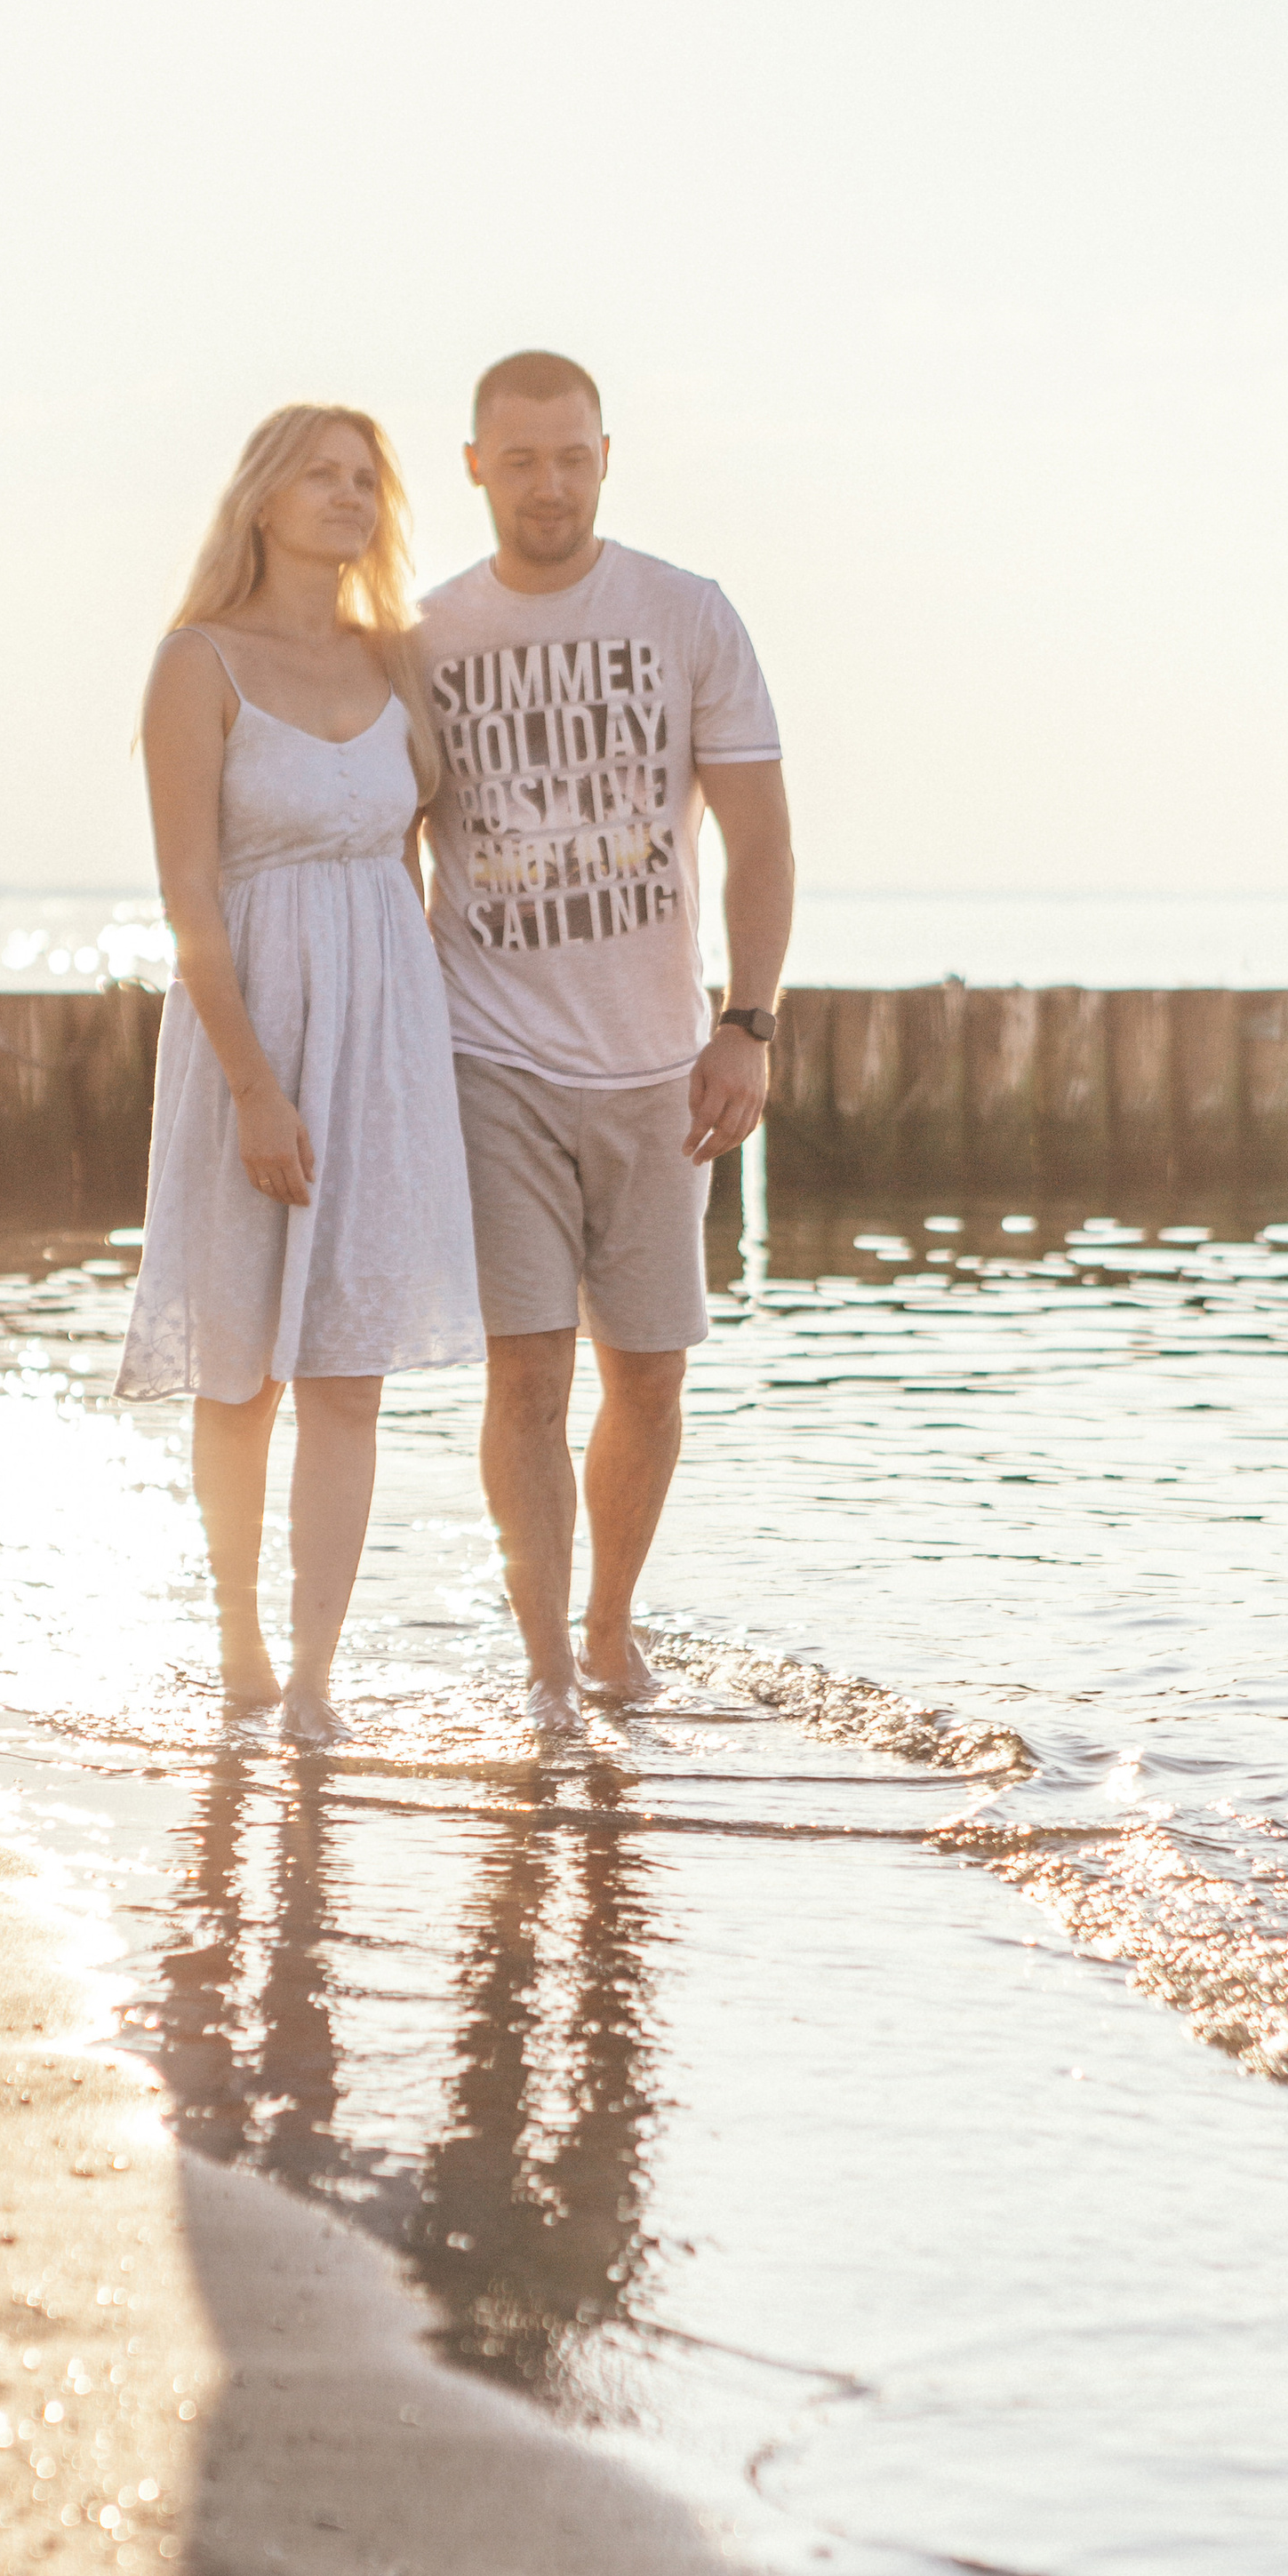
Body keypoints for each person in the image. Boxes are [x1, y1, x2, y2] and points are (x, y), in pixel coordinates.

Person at [420, 350, 795, 1735]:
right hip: (491, 1061)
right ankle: (540, 1671)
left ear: (606, 455)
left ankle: (608, 1624)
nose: (548, 483)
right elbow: (383, 843)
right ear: (474, 466)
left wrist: (747, 1023)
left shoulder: (687, 616)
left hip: (660, 1064)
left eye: (571, 454)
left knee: (650, 1369)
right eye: (519, 459)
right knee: (527, 1368)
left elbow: (759, 838)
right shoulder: (428, 637)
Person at [116, 405, 483, 1743]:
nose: (347, 497)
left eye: (364, 481)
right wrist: (258, 1087)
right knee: (240, 1365)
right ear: (262, 501)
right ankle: (238, 1640)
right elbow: (190, 902)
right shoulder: (195, 664)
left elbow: (417, 870)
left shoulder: (399, 664)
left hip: (384, 1042)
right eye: (320, 477)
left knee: (346, 1370)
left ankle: (318, 1678)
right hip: (247, 1039)